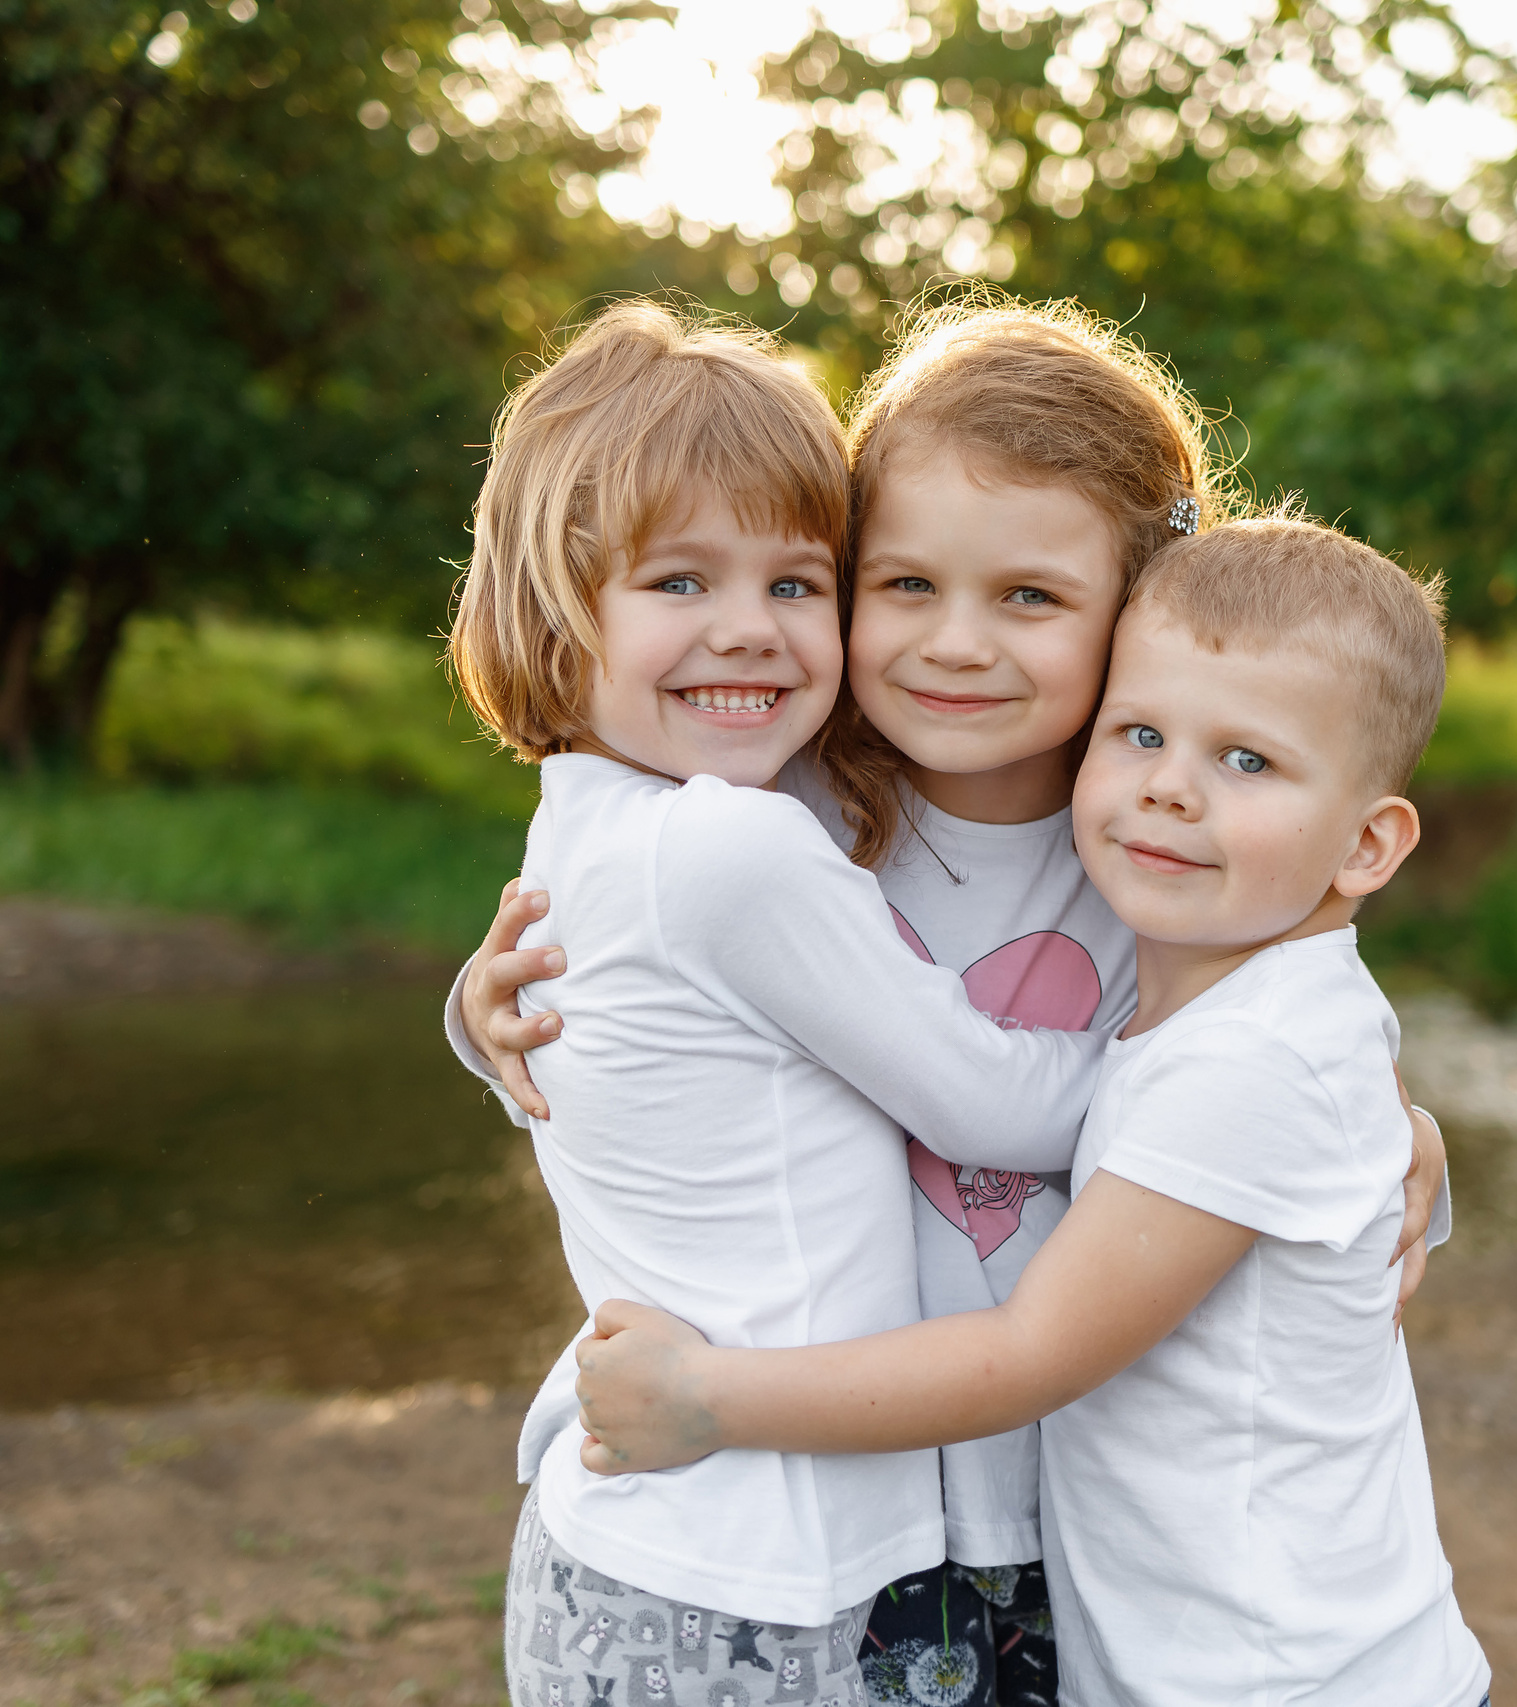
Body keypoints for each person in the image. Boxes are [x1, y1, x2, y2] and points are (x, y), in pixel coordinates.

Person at [452, 296, 1453, 1707]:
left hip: (1045, 1511)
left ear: (1138, 617)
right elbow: (631, 961)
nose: (956, 644)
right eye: (904, 585)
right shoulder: (785, 800)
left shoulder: (1158, 853)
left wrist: (1399, 1126)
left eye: (1031, 599)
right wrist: (484, 1020)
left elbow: (1277, 1048)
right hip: (827, 1499)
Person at [445, 297, 1119, 1707]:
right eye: (679, 582)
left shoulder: (623, 810)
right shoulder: (735, 831)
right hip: (759, 1565)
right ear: (553, 604)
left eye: (795, 585)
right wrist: (1230, 1110)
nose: (746, 632)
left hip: (657, 1543)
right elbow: (990, 1098)